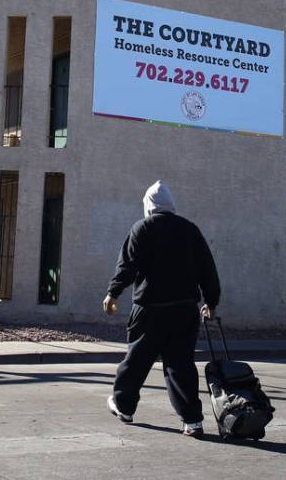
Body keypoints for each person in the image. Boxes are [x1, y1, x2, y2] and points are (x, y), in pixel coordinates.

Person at [103, 181, 221, 438]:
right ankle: (192, 420)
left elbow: (127, 266)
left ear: (148, 205)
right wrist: (211, 302)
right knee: (181, 364)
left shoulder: (141, 228)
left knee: (136, 360)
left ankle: (124, 406)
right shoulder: (190, 230)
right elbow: (207, 269)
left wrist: (113, 293)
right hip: (185, 309)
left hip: (150, 309)